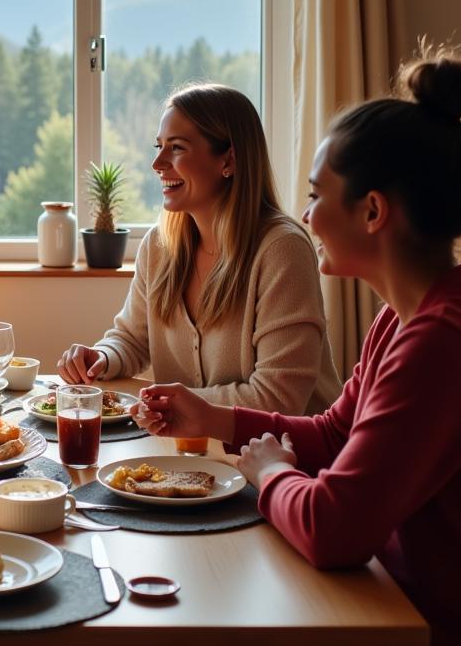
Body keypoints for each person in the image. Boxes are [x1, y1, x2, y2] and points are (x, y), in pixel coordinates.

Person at [97, 49, 461, 646]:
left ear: (374, 212)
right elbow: (329, 434)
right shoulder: (410, 318)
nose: (308, 214)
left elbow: (335, 525)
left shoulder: (444, 342)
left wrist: (268, 474)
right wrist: (219, 420)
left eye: (320, 196)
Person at [58, 84, 341, 414]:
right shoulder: (159, 246)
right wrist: (102, 357)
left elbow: (279, 398)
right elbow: (132, 340)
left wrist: (172, 403)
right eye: (159, 146)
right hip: (194, 454)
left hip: (288, 457)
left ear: (229, 160)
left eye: (176, 148)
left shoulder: (281, 250)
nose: (157, 163)